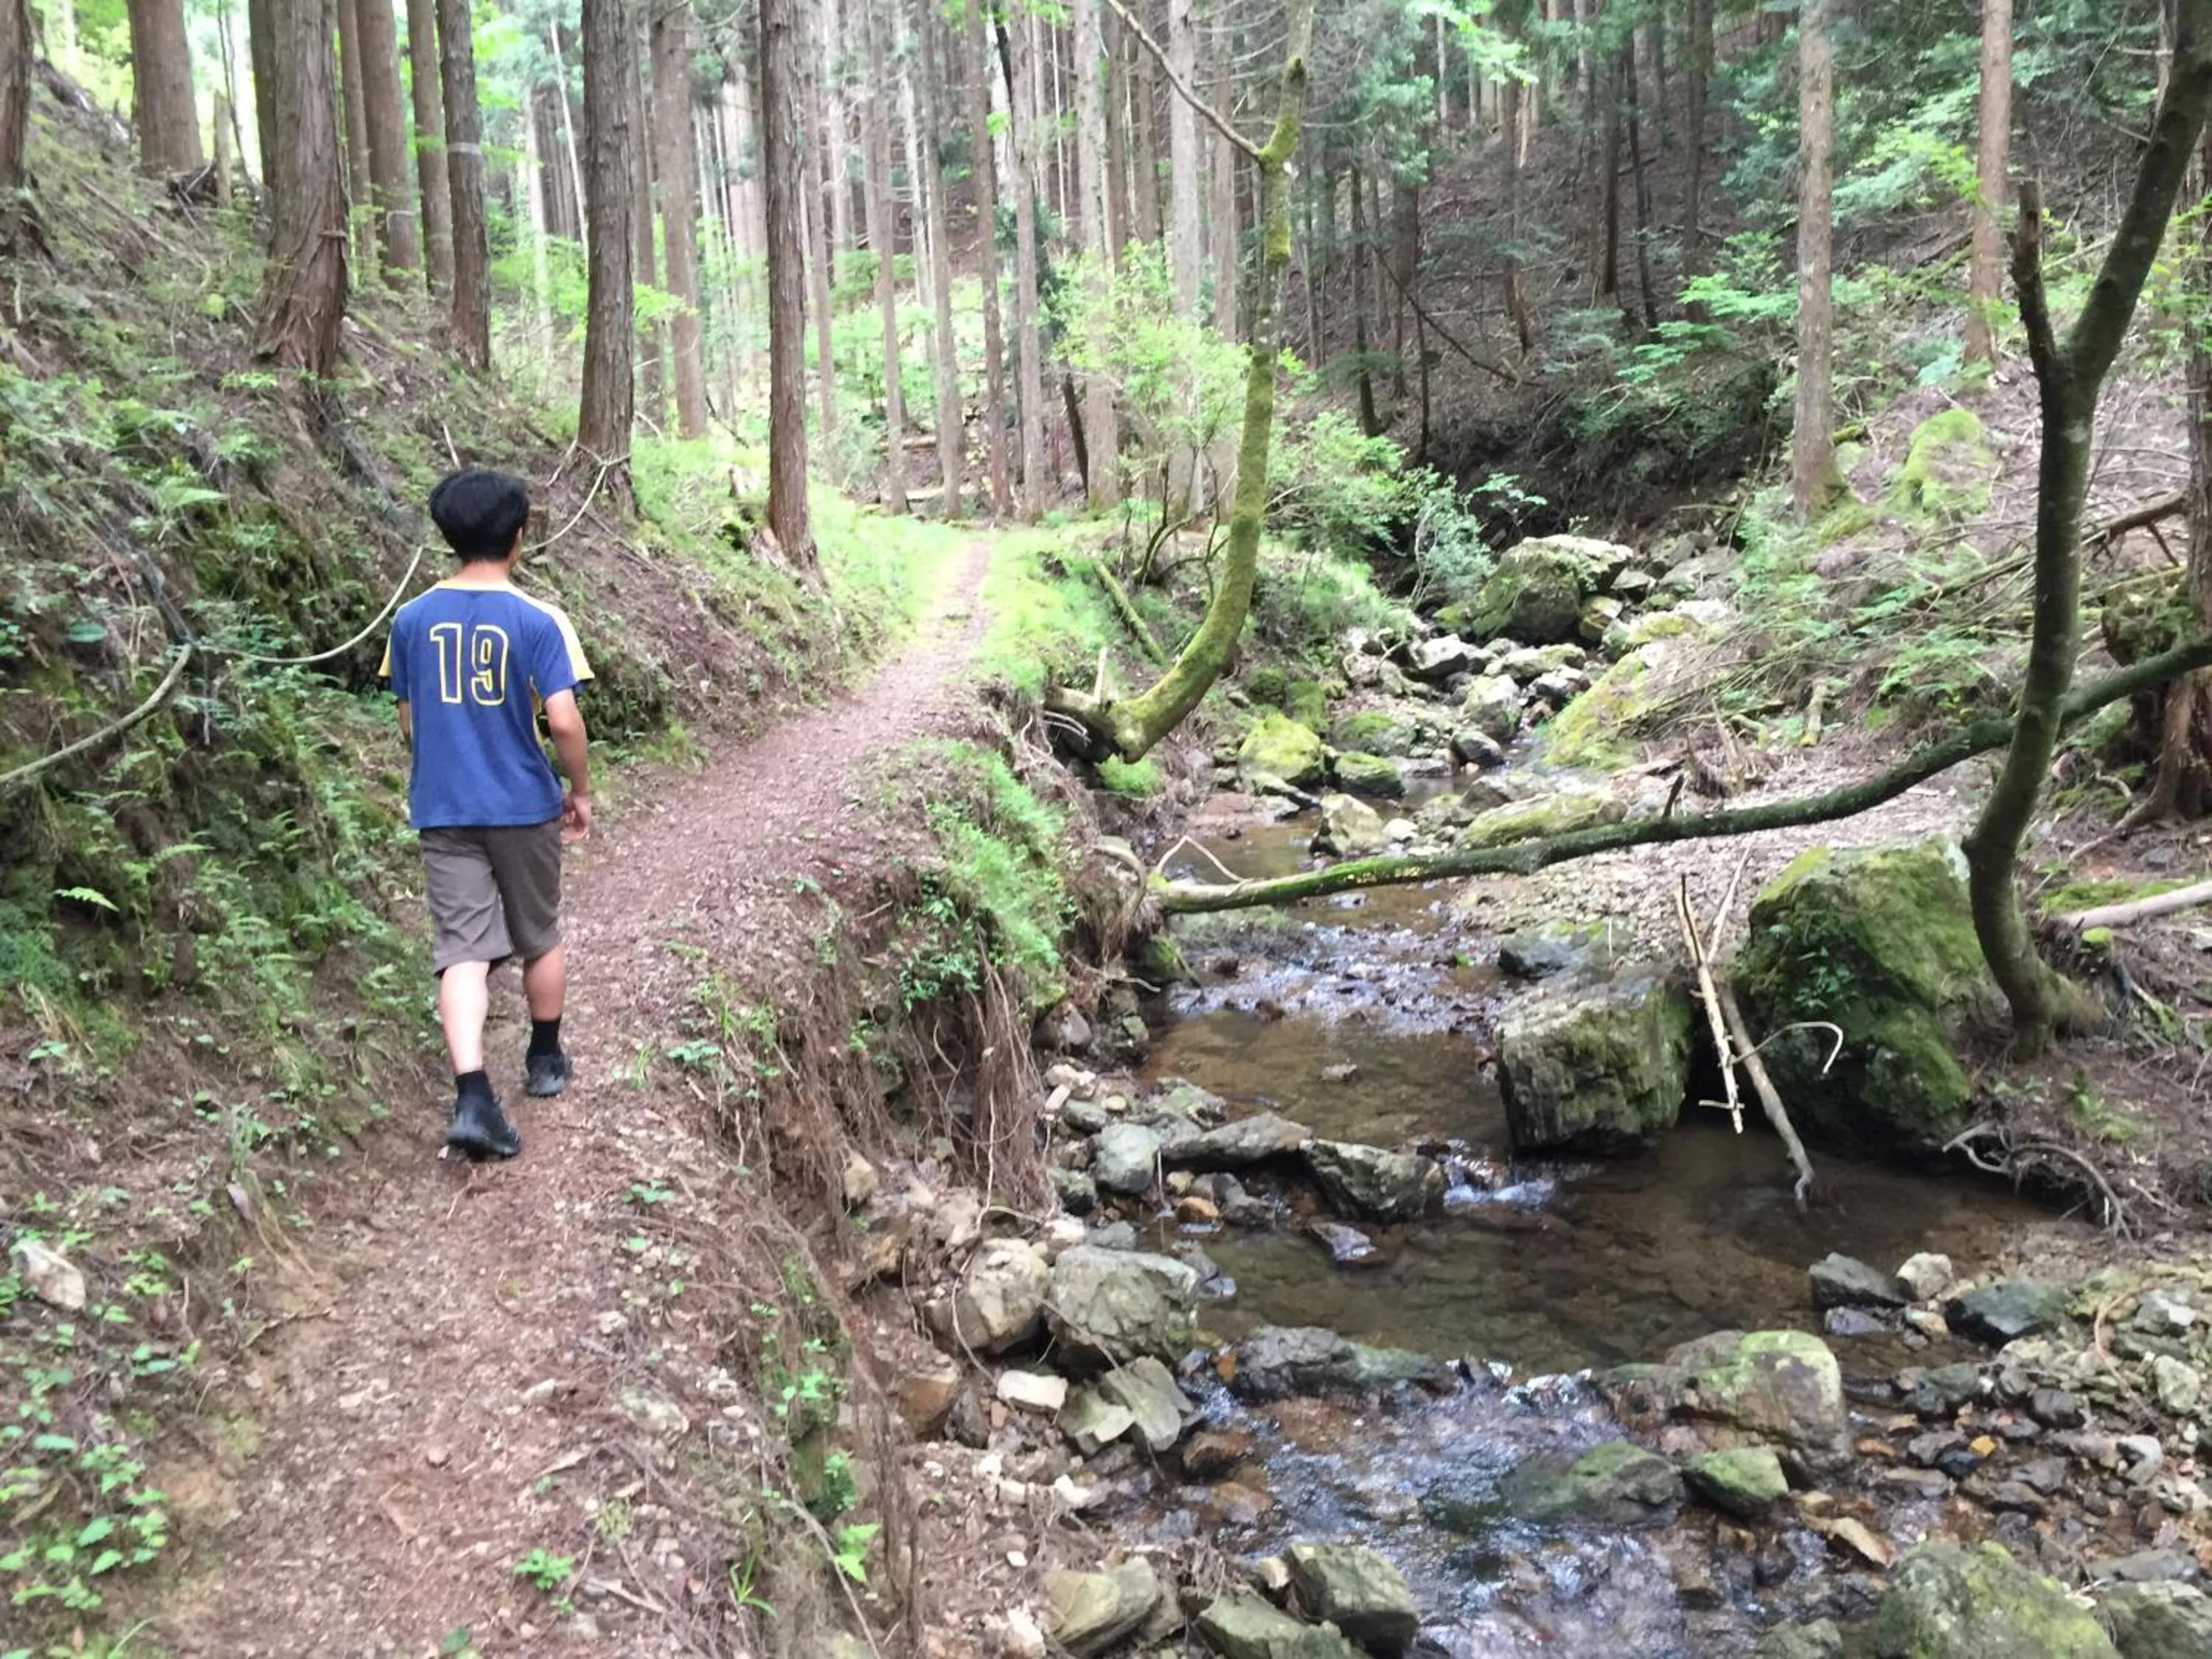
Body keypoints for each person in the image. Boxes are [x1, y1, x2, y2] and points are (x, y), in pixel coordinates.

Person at [381, 468, 594, 1161]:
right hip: (523, 805)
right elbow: (562, 719)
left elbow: (409, 722)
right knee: (539, 932)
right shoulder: (538, 621)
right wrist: (580, 787)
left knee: (463, 951)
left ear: (448, 537)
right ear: (519, 538)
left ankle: (473, 1094)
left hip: (444, 808)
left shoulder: (410, 622)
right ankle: (544, 1059)